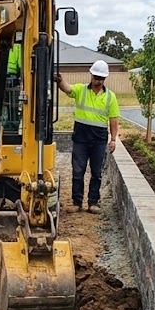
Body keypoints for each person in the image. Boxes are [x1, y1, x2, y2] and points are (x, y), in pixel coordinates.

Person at [54, 59, 119, 213]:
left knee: (96, 173)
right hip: (81, 139)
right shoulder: (81, 90)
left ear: (105, 79)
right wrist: (60, 80)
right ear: (91, 75)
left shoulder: (111, 97)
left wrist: (113, 139)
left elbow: (114, 120)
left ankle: (93, 202)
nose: (98, 81)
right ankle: (77, 202)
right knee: (78, 171)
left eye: (101, 79)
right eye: (96, 77)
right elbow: (68, 89)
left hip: (99, 140)